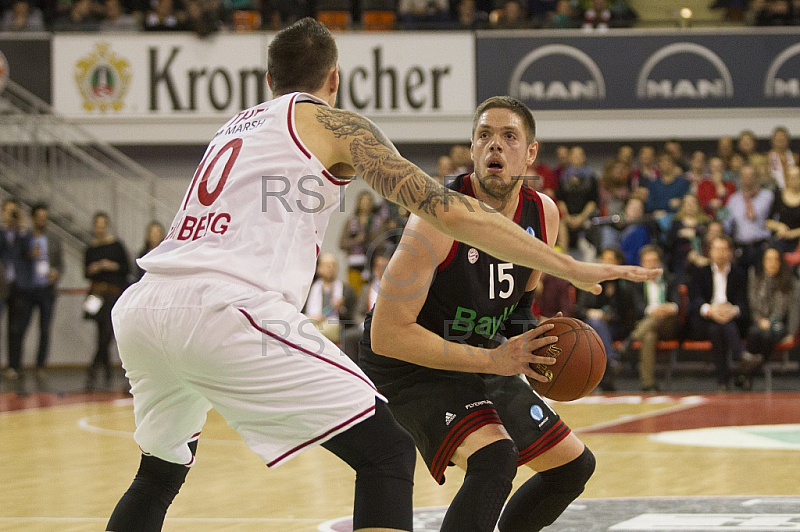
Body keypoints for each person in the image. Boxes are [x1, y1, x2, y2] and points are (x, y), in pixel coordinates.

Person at [105, 19, 658, 532]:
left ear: (268, 80)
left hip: (145, 306)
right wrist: (568, 266)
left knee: (159, 472)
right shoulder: (332, 122)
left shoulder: (232, 131)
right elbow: (443, 208)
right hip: (226, 308)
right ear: (334, 79)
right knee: (388, 452)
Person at [359, 96, 643, 532]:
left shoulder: (544, 214)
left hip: (478, 355)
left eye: (509, 137)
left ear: (530, 153)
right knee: (495, 457)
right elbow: (387, 336)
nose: (495, 146)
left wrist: (539, 348)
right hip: (410, 365)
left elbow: (519, 309)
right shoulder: (435, 218)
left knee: (572, 468)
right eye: (484, 136)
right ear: (472, 150)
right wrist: (494, 359)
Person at [687, 235, 753, 391]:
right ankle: (741, 355)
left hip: (731, 320)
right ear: (710, 252)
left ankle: (722, 382)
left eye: (724, 249)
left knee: (719, 328)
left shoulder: (739, 274)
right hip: (705, 320)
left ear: (730, 252)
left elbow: (744, 303)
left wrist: (732, 310)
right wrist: (710, 310)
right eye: (716, 249)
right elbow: (695, 300)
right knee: (717, 327)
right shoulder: (700, 273)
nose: (720, 253)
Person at [13, 203, 64, 378]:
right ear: (33, 217)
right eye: (39, 216)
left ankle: (40, 366)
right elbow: (17, 258)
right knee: (22, 328)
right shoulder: (25, 237)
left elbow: (60, 264)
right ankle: (16, 365)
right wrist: (29, 256)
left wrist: (56, 273)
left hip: (46, 290)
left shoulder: (53, 239)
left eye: (45, 217)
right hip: (28, 289)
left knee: (45, 329)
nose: (42, 220)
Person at [574, 247, 635, 391]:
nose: (607, 263)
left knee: (600, 328)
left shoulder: (624, 285)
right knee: (596, 324)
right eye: (604, 259)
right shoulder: (592, 281)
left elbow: (629, 313)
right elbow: (579, 309)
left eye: (610, 260)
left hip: (616, 327)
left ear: (618, 262)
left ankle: (608, 365)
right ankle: (612, 359)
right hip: (591, 327)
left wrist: (611, 316)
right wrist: (592, 312)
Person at [84, 212, 130, 391]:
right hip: (96, 293)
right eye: (97, 224)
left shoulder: (116, 245)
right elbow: (85, 273)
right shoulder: (91, 248)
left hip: (113, 293)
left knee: (107, 332)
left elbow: (126, 268)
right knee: (100, 332)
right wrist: (94, 268)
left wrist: (111, 265)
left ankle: (94, 367)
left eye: (103, 224)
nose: (100, 228)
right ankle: (106, 369)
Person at [742, 247, 799, 390]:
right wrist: (760, 320)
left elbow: (794, 311)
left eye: (775, 260)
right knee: (755, 333)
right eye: (768, 259)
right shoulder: (756, 281)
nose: (772, 263)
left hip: (780, 325)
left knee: (768, 335)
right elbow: (752, 306)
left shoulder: (791, 283)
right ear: (763, 262)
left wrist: (792, 334)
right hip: (759, 323)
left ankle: (746, 373)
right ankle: (752, 370)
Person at [627, 245, 681, 392]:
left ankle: (631, 339)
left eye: (654, 260)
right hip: (648, 324)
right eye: (648, 261)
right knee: (649, 336)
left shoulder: (670, 279)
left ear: (660, 262)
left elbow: (678, 304)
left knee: (658, 319)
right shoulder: (636, 283)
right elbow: (638, 308)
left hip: (669, 324)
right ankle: (648, 384)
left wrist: (668, 308)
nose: (651, 264)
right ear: (642, 264)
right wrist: (653, 310)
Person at [1, 199, 33, 380]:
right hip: (1, 285)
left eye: (14, 212)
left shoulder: (24, 234)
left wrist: (20, 227)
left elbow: (29, 252)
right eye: (8, 211)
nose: (11, 215)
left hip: (18, 286)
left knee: (16, 328)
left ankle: (14, 365)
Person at [303, 253, 357, 345]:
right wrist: (313, 318)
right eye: (327, 265)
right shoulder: (308, 289)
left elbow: (352, 319)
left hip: (333, 325)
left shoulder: (347, 290)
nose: (330, 268)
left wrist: (340, 309)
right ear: (318, 268)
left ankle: (310, 335)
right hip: (313, 321)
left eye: (333, 265)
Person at [765, 166, 800, 253]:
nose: (794, 180)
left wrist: (792, 234)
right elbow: (768, 222)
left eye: (797, 177)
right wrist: (779, 226)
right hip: (781, 240)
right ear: (787, 179)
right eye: (791, 177)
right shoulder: (779, 196)